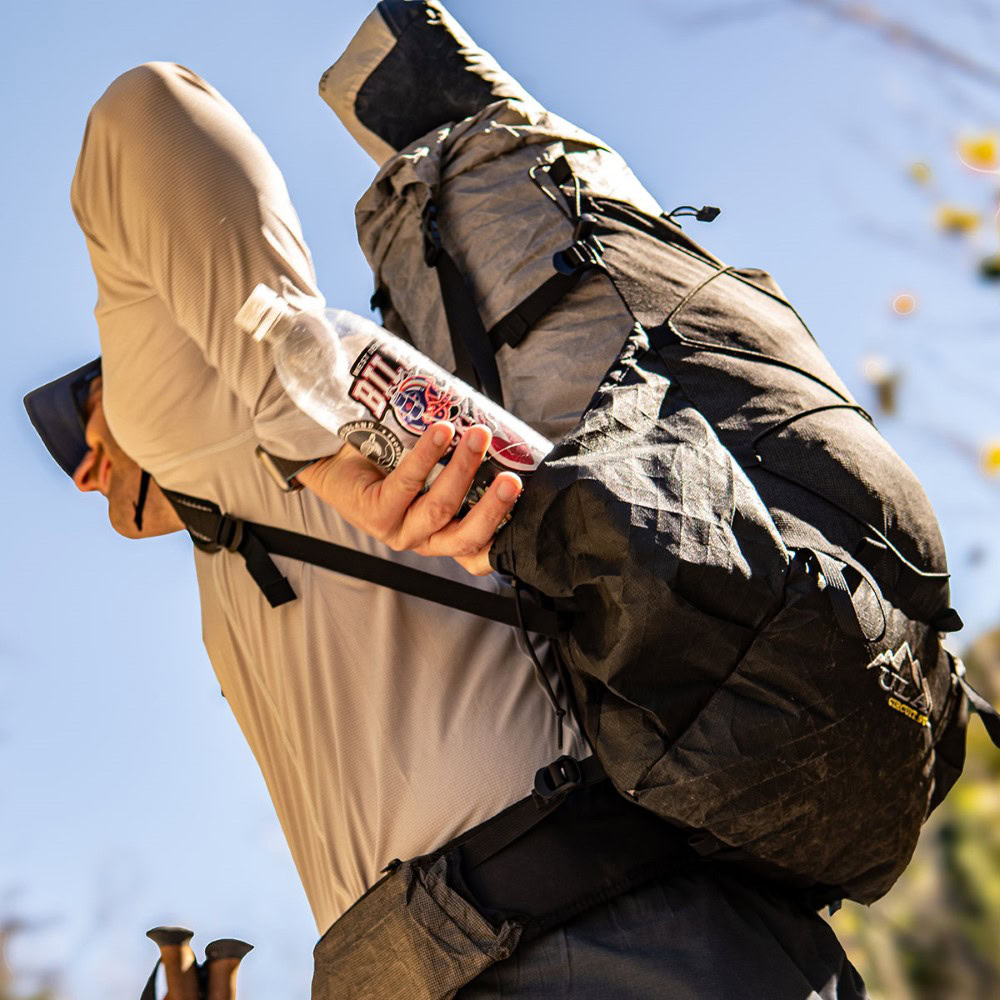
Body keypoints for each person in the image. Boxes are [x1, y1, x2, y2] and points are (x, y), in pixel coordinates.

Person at [25, 20, 869, 1000]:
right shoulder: (257, 529)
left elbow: (147, 104)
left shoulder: (225, 429)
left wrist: (304, 408)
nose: (80, 472)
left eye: (76, 418)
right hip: (596, 939)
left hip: (581, 935)